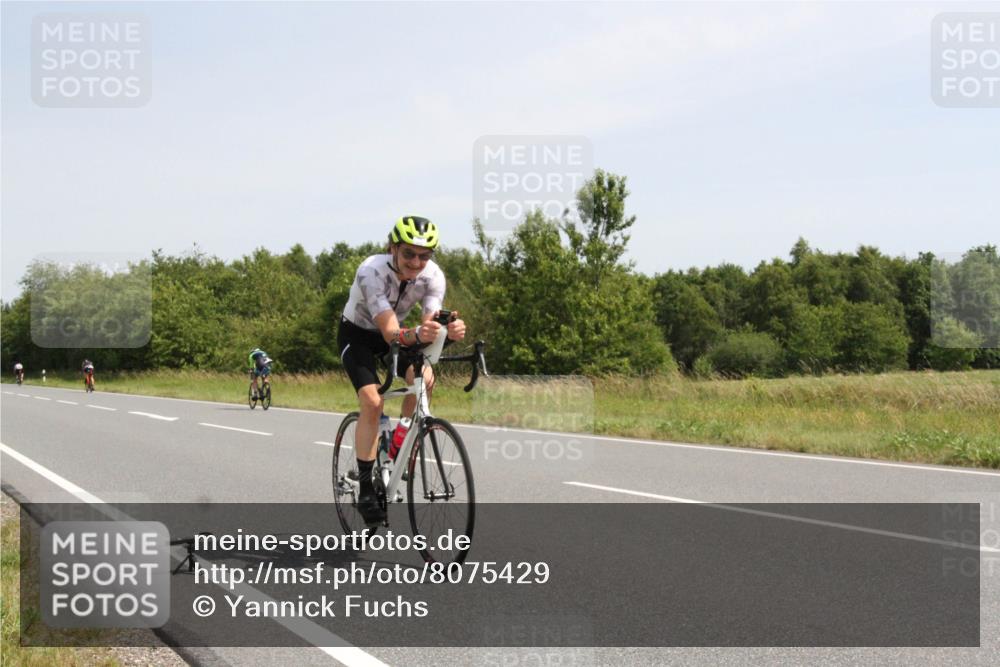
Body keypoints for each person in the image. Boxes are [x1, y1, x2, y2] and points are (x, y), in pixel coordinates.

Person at [338, 215, 466, 522]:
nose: (416, 262)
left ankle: (398, 445)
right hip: (359, 337)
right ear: (392, 248)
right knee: (372, 401)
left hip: (400, 333)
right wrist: (418, 334)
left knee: (426, 378)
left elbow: (429, 322)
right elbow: (390, 331)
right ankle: (367, 487)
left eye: (424, 256)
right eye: (409, 253)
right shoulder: (372, 271)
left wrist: (447, 330)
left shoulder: (433, 276)